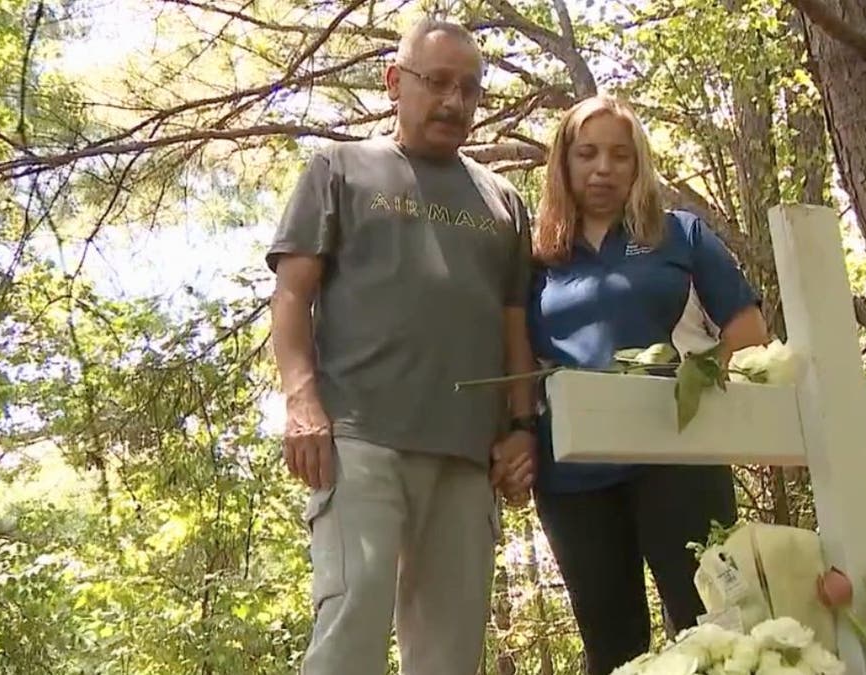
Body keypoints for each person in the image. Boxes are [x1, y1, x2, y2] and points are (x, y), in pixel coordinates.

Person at [266, 20, 537, 675]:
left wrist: (523, 427)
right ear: (394, 82)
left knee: (449, 653)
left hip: (468, 459)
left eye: (469, 90)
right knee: (350, 630)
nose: (453, 102)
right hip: (360, 439)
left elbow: (513, 329)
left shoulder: (502, 200)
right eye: (436, 82)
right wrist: (302, 400)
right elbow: (291, 295)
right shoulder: (341, 167)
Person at [527, 94, 770, 675]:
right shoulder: (534, 255)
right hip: (573, 476)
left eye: (619, 155)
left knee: (713, 630)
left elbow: (750, 327)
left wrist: (702, 370)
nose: (603, 168)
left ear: (638, 165)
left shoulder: (680, 234)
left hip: (679, 454)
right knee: (613, 647)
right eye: (586, 154)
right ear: (563, 163)